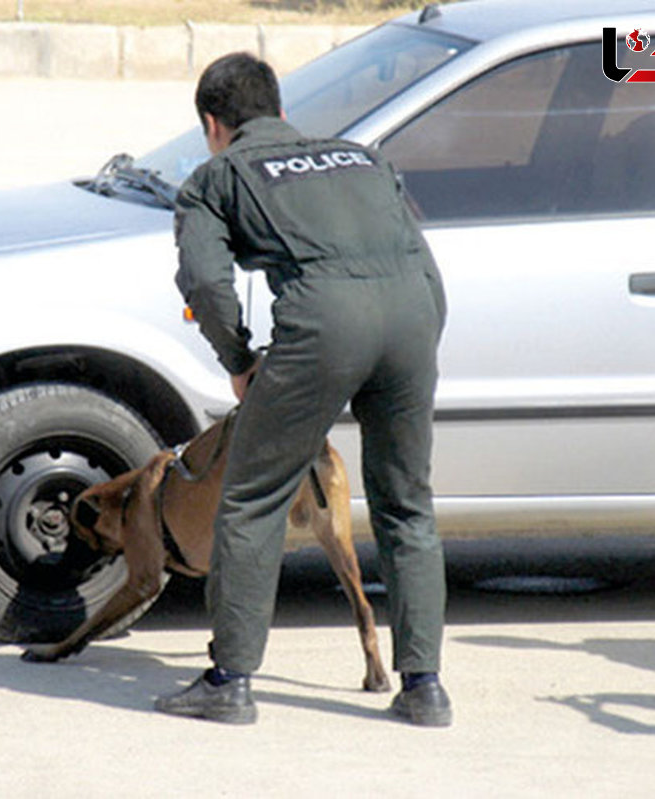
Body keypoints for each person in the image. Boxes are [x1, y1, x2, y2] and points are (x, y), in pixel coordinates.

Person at [154, 52, 451, 727]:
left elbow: (204, 281)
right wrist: (417, 341)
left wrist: (237, 357)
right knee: (407, 501)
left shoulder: (214, 177)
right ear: (282, 112)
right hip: (413, 316)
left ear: (213, 125)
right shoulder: (361, 158)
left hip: (323, 323)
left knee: (253, 496)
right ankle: (425, 686)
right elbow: (422, 261)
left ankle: (230, 680)